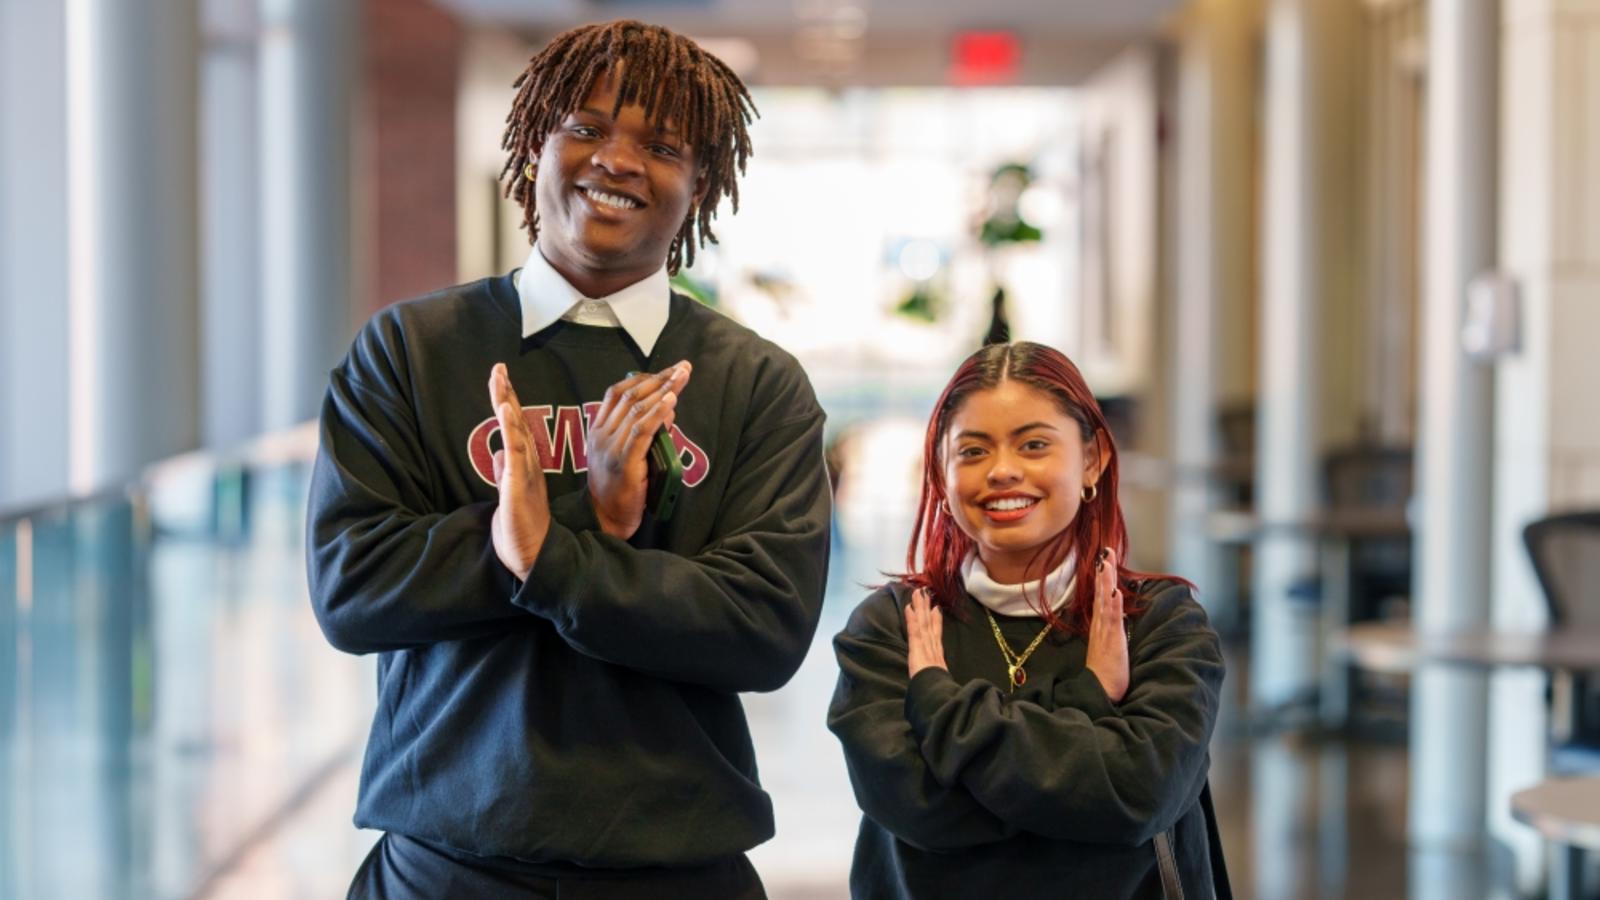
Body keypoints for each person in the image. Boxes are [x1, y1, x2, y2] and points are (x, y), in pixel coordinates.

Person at [306, 20, 831, 899]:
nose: (617, 160)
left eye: (661, 145)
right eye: (584, 127)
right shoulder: (411, 351)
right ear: (530, 147)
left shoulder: (756, 384)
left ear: (701, 183)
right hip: (447, 866)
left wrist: (546, 556)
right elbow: (354, 590)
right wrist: (593, 520)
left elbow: (763, 629)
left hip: (676, 868)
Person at [827, 341, 1228, 899]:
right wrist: (1088, 699)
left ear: (1092, 460)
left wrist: (941, 708)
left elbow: (1139, 796)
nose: (1003, 471)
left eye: (1034, 444)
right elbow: (922, 810)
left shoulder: (1160, 624)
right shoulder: (894, 627)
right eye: (972, 451)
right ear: (941, 475)